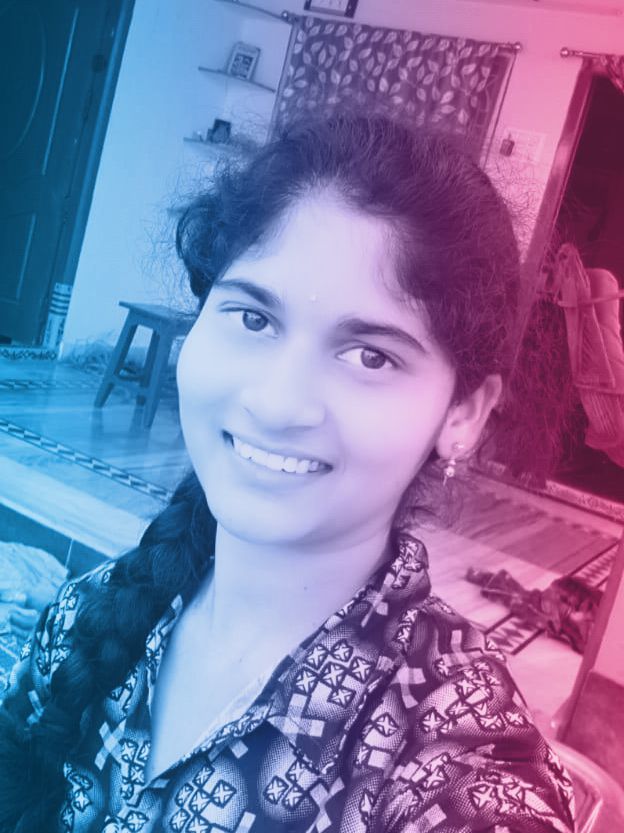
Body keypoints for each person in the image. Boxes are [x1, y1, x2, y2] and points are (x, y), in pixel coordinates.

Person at [0, 114, 575, 833]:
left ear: (463, 413)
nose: (276, 402)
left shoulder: (451, 750)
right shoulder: (90, 614)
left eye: (370, 356)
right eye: (252, 318)